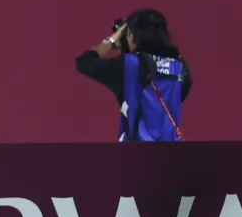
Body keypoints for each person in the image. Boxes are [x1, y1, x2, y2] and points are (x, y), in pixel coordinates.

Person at [75, 9, 191, 142]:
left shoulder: (129, 64)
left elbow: (84, 63)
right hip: (171, 154)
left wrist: (111, 40)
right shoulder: (180, 66)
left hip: (137, 154)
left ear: (131, 35)